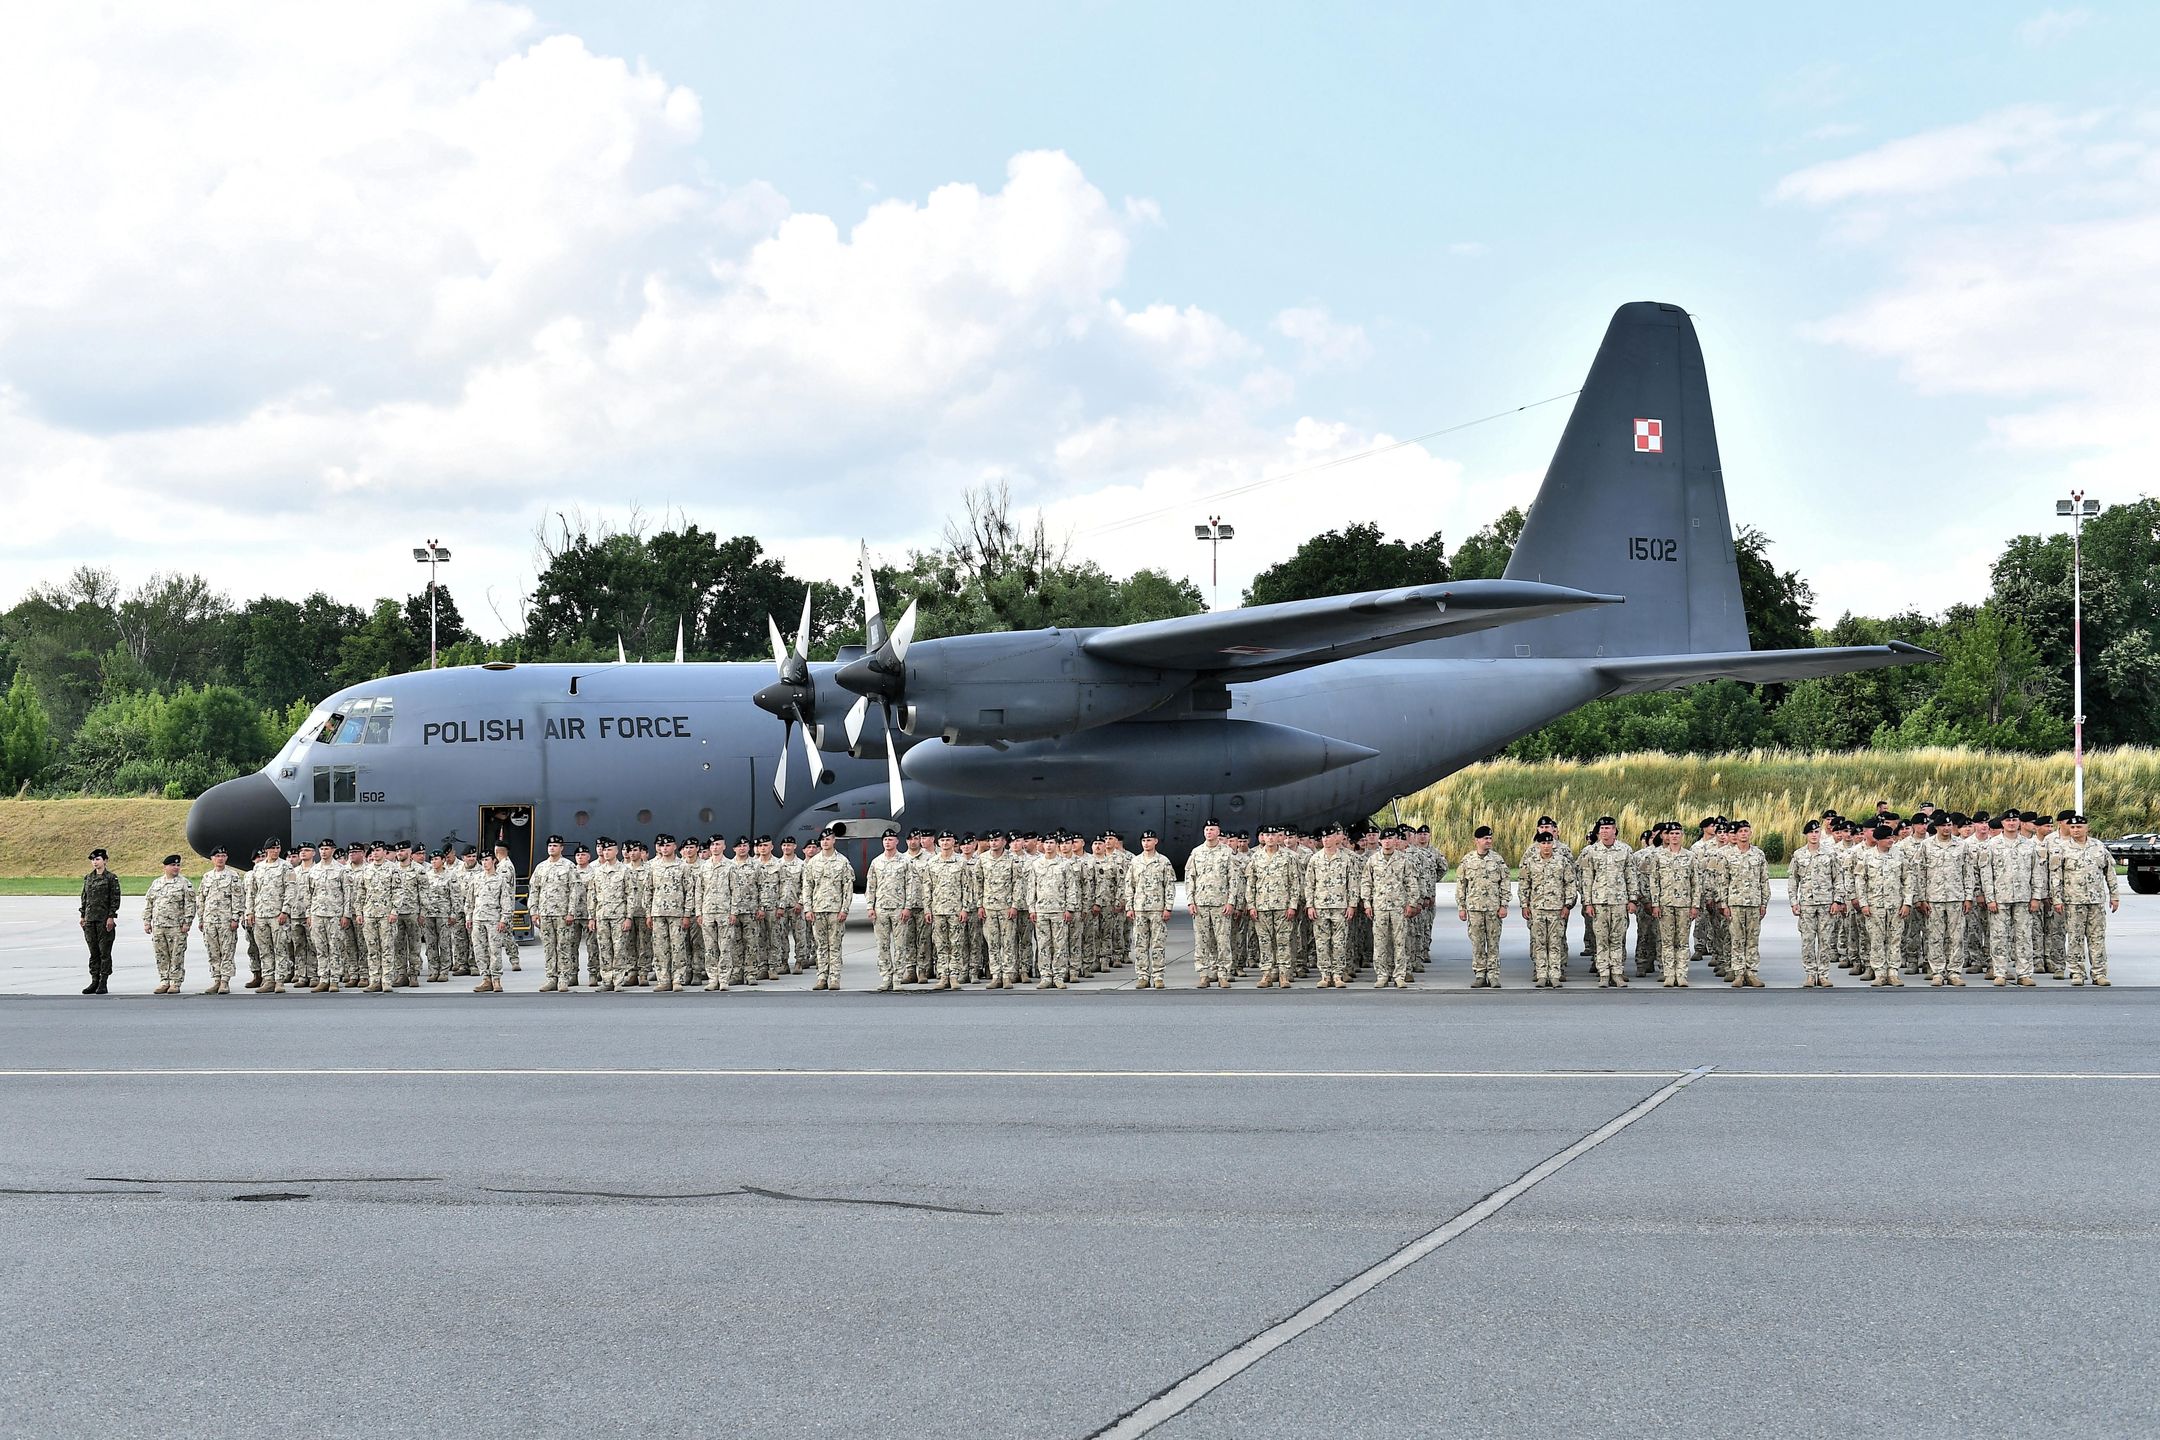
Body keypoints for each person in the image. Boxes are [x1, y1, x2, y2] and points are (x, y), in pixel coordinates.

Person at [2051, 814, 2118, 985]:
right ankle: (2077, 973)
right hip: (2073, 901)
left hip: (2095, 901)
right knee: (2075, 938)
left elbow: (2110, 872)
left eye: (2079, 827)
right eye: (2072, 827)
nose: (2075, 830)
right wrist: (2057, 899)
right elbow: (2056, 877)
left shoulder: (2098, 847)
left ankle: (2099, 973)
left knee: (2097, 937)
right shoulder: (2063, 849)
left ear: (2087, 828)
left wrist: (2114, 896)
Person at [1577, 816, 1634, 988]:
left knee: (1617, 939)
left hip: (1619, 901)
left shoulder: (1625, 850)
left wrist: (1632, 899)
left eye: (1608, 828)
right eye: (1601, 829)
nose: (1604, 832)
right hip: (1599, 902)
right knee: (1601, 939)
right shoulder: (1591, 851)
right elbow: (1587, 878)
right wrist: (1587, 902)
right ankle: (1603, 973)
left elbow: (1630, 876)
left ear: (1615, 830)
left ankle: (1617, 973)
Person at [1518, 832, 1576, 988]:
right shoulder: (1530, 862)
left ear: (1553, 844)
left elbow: (1570, 883)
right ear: (1538, 845)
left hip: (1556, 909)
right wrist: (1525, 905)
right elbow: (1524, 885)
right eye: (1543, 843)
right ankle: (1542, 974)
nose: (1546, 846)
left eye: (1549, 843)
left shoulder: (1562, 862)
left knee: (1555, 943)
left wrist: (1568, 905)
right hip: (1537, 909)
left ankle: (1555, 975)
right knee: (1539, 943)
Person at [1455, 825, 1510, 988]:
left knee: (1493, 943)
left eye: (1490, 838)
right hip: (1474, 909)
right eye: (1485, 838)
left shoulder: (1497, 860)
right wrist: (1462, 907)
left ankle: (1493, 975)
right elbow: (1461, 885)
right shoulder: (1467, 860)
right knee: (1477, 943)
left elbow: (1505, 883)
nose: (1489, 841)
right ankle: (1480, 973)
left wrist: (1504, 904)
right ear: (1477, 841)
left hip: (1493, 908)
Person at [1788, 820, 1841, 987]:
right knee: (1808, 940)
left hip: (1826, 903)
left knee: (1825, 941)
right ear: (1806, 835)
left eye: (1817, 832)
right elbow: (1793, 880)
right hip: (1807, 904)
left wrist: (1837, 900)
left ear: (1820, 834)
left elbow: (1838, 878)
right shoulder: (1798, 855)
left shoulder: (1830, 854)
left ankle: (1823, 974)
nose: (1814, 835)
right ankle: (1810, 974)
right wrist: (1794, 902)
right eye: (1811, 832)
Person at [802, 829, 855, 990]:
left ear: (834, 841)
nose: (825, 842)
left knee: (835, 945)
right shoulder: (813, 862)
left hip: (835, 910)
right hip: (818, 909)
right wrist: (808, 909)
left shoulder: (842, 862)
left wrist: (845, 909)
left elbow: (847, 887)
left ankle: (834, 978)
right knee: (821, 945)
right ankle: (821, 977)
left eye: (828, 839)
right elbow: (807, 886)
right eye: (823, 839)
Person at [1186, 820, 1237, 988]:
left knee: (1222, 941)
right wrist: (1190, 901)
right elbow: (1190, 878)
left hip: (1220, 904)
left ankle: (1222, 974)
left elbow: (1233, 879)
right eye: (1206, 829)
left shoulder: (1227, 852)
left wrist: (1231, 901)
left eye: (1212, 829)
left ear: (1218, 832)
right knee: (1201, 941)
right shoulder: (1196, 852)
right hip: (1200, 904)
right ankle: (1204, 974)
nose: (1209, 832)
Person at [865, 833, 916, 993]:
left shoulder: (905, 862)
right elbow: (871, 886)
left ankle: (898, 978)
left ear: (897, 842)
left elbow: (910, 885)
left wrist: (908, 907)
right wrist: (870, 907)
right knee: (882, 945)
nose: (888, 842)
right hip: (880, 909)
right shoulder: (876, 862)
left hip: (899, 909)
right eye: (885, 840)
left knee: (900, 945)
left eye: (891, 840)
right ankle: (886, 977)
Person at [1724, 821, 1769, 988]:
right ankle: (1738, 973)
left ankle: (1752, 973)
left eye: (1746, 831)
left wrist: (1764, 902)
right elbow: (1724, 881)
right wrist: (1724, 904)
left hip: (1754, 903)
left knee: (1752, 940)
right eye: (1740, 831)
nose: (1743, 834)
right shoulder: (1728, 855)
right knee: (1737, 939)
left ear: (1750, 833)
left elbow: (1764, 880)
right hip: (1735, 903)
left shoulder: (1758, 854)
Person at [143, 854, 196, 995]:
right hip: (159, 926)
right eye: (173, 865)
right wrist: (147, 921)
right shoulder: (156, 883)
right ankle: (164, 980)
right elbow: (149, 903)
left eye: (178, 865)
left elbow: (190, 905)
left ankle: (175, 982)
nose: (176, 868)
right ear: (165, 867)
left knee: (176, 954)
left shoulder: (184, 883)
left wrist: (187, 922)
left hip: (176, 926)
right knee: (161, 954)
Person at [196, 844, 245, 994]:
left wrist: (235, 917)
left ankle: (225, 981)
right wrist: (201, 919)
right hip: (210, 920)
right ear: (212, 859)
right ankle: (216, 979)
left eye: (223, 856)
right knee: (213, 951)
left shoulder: (233, 876)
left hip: (226, 920)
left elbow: (238, 898)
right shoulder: (207, 877)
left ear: (226, 858)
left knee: (227, 951)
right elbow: (201, 899)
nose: (220, 859)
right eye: (217, 856)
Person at [76, 847, 122, 995]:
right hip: (90, 920)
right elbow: (84, 897)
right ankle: (94, 980)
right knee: (93, 952)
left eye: (97, 859)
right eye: (93, 860)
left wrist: (111, 917)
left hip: (104, 920)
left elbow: (115, 899)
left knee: (104, 952)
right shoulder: (88, 878)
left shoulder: (111, 878)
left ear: (105, 861)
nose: (95, 862)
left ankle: (103, 981)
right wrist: (83, 916)